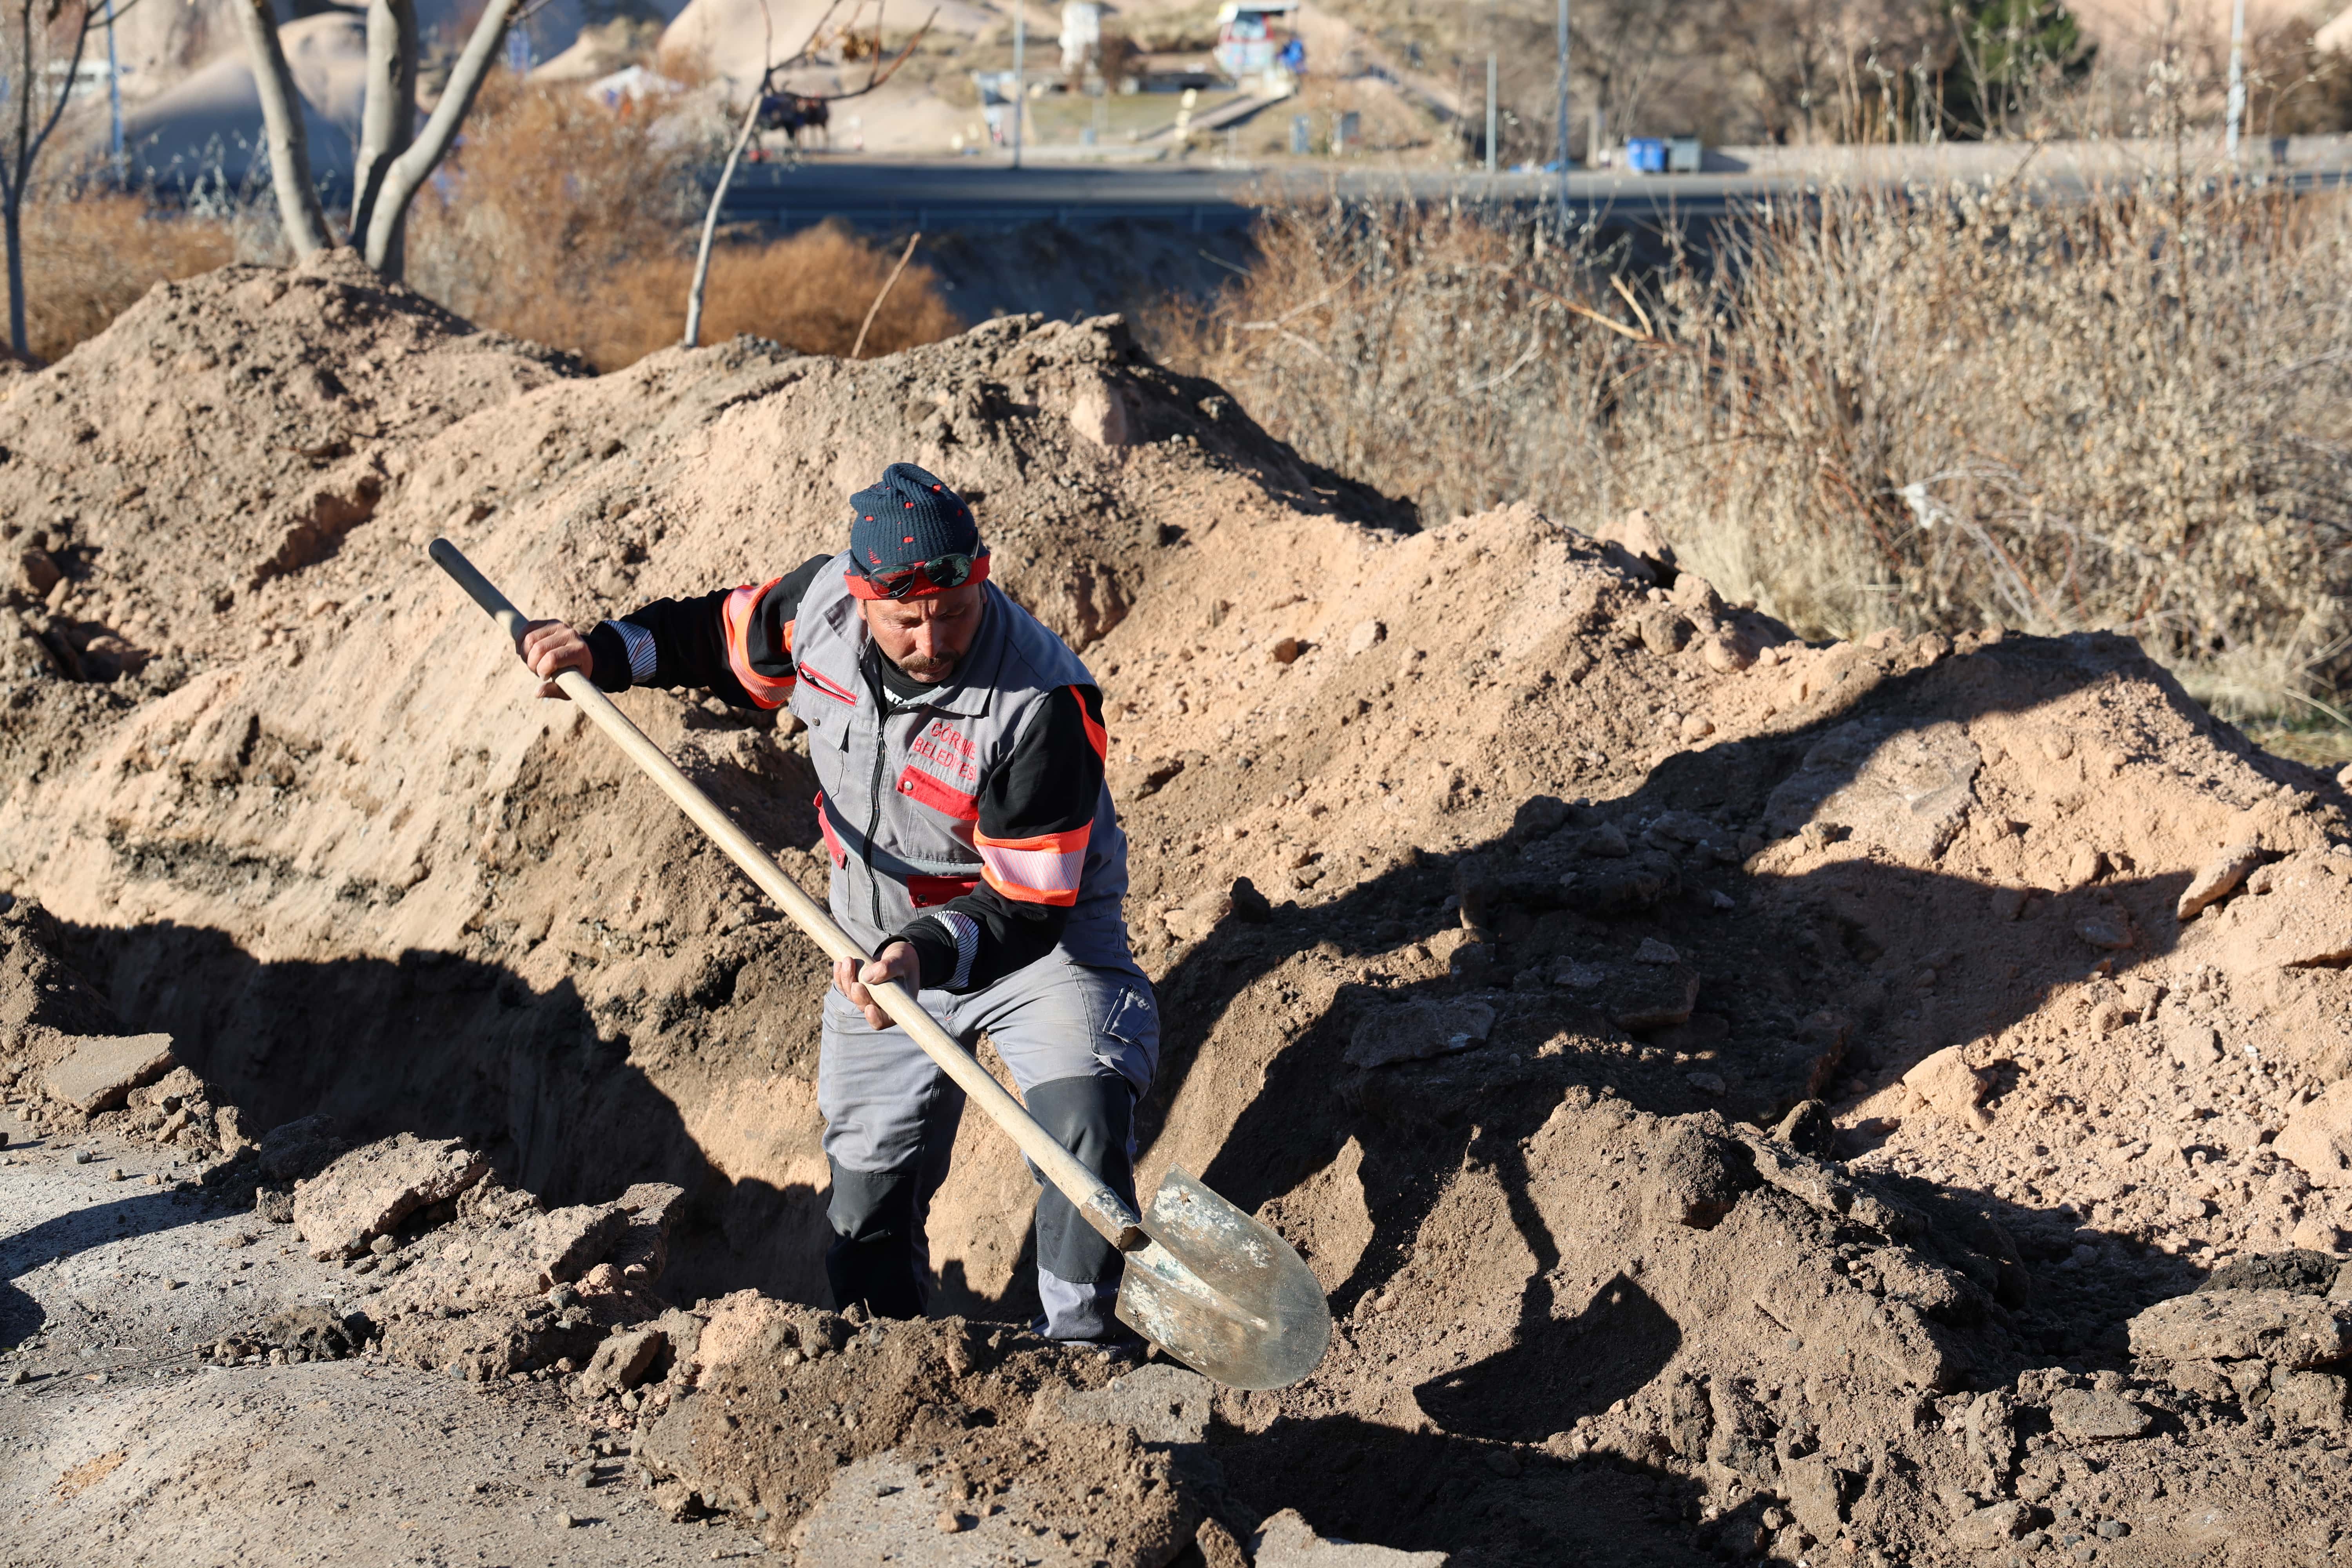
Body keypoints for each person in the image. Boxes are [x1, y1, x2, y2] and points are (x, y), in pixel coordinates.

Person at [515, 463, 1156, 1345]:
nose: (933, 638)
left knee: (1081, 1124)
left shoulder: (1045, 701)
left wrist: (923, 954)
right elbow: (716, 637)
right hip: (871, 940)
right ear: (860, 597)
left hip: (1038, 945)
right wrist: (604, 654)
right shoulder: (816, 608)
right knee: (864, 1204)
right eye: (906, 620)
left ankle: (1084, 1350)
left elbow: (1026, 904)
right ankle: (891, 1359)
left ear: (983, 575)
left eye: (955, 610)